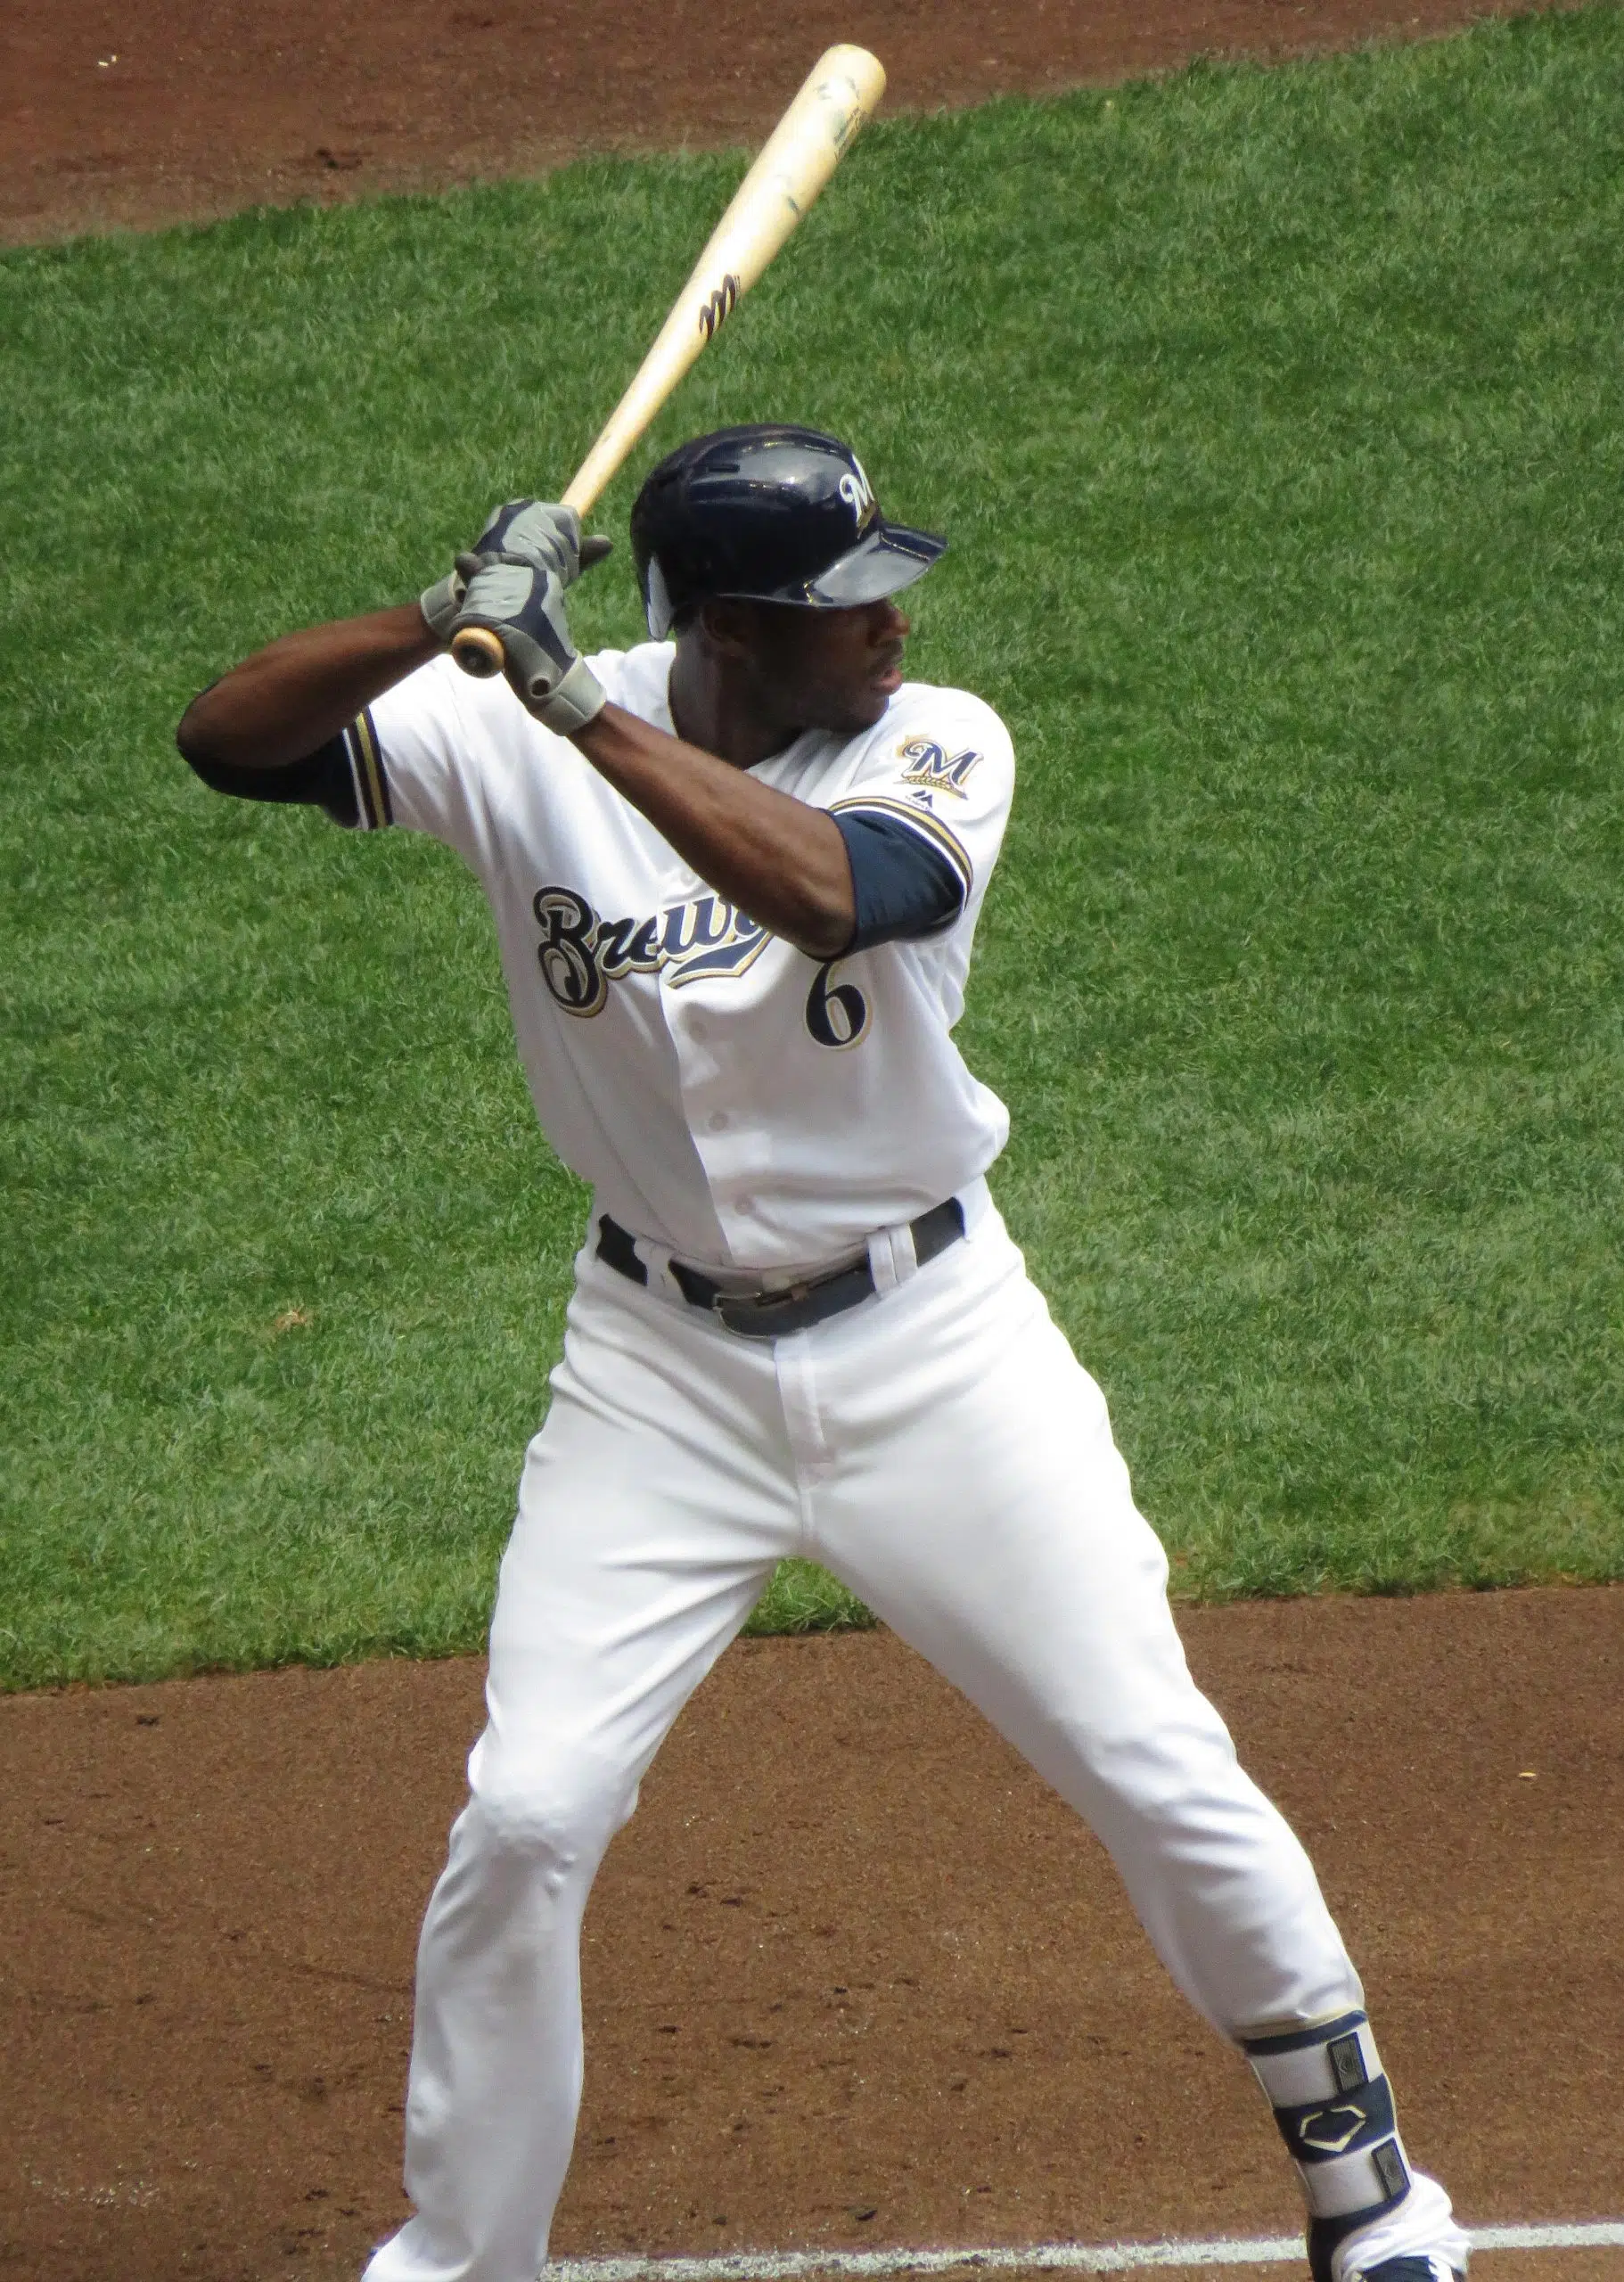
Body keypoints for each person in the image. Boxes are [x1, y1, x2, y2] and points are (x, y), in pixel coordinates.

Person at [176, 424, 1470, 2282]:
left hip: (934, 1344)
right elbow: (230, 740)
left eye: (884, 598)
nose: (888, 629)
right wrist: (435, 617)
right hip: (655, 1369)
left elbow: (837, 892)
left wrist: (581, 718)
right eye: (838, 609)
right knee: (528, 1808)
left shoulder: (936, 738)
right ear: (715, 625)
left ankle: (1377, 2200)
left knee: (1148, 1749)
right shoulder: (520, 715)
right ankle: (462, 2257)